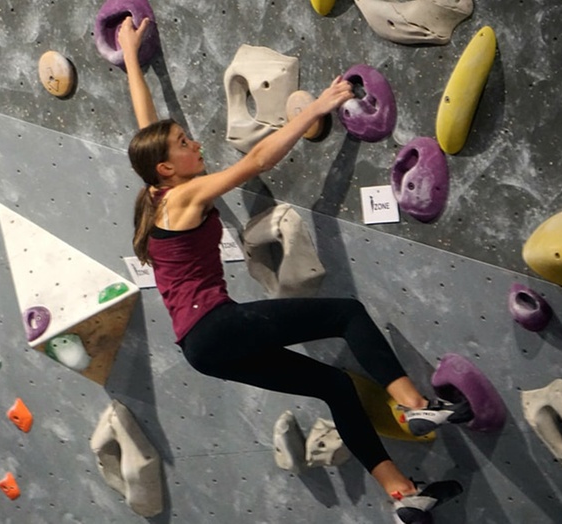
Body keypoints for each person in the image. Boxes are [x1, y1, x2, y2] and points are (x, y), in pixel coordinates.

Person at [117, 16, 473, 524]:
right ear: (168, 169)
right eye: (183, 142)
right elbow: (258, 159)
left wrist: (132, 56)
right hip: (215, 324)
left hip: (200, 349)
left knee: (336, 387)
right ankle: (415, 403)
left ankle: (402, 495)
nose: (194, 141)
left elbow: (144, 128)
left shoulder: (155, 195)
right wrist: (319, 109)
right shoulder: (185, 193)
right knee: (346, 314)